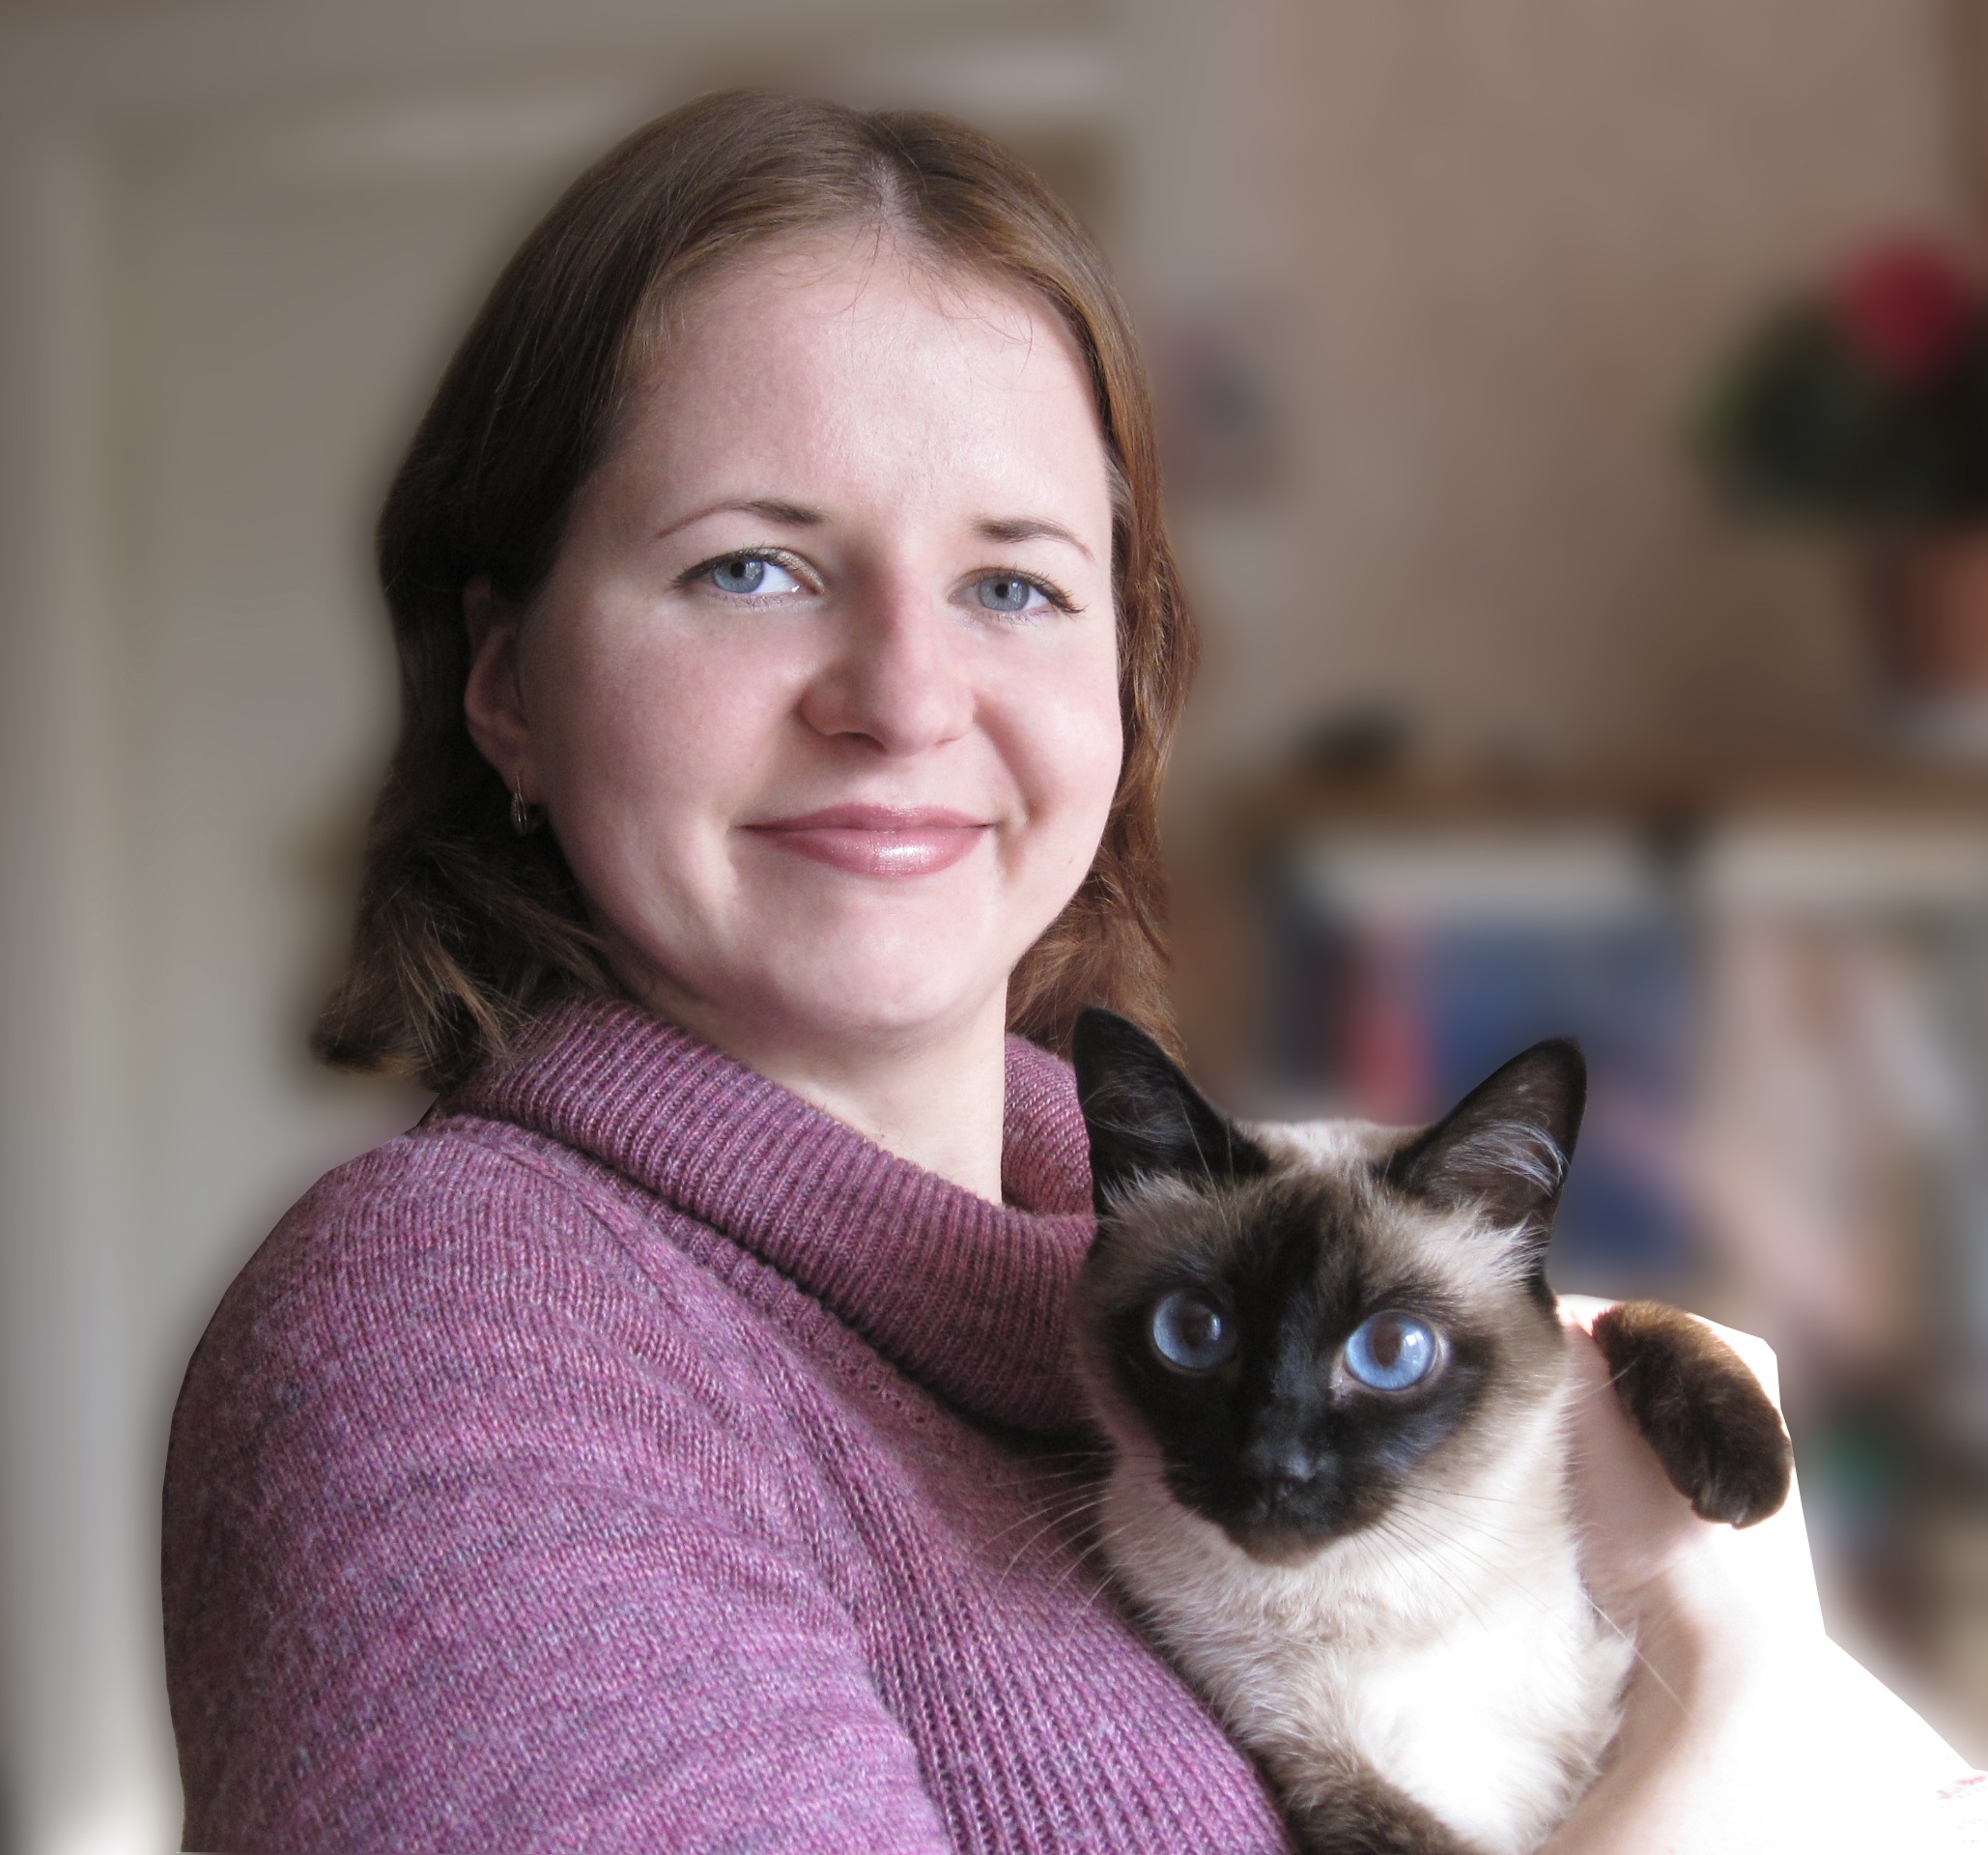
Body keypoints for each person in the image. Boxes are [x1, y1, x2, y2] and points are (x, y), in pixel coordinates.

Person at [161, 90, 1984, 1852]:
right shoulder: (464, 1337)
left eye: (1013, 586)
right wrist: (1723, 1716)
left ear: (1126, 676)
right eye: (751, 570)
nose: (903, 699)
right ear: (505, 683)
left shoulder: (1180, 1255)